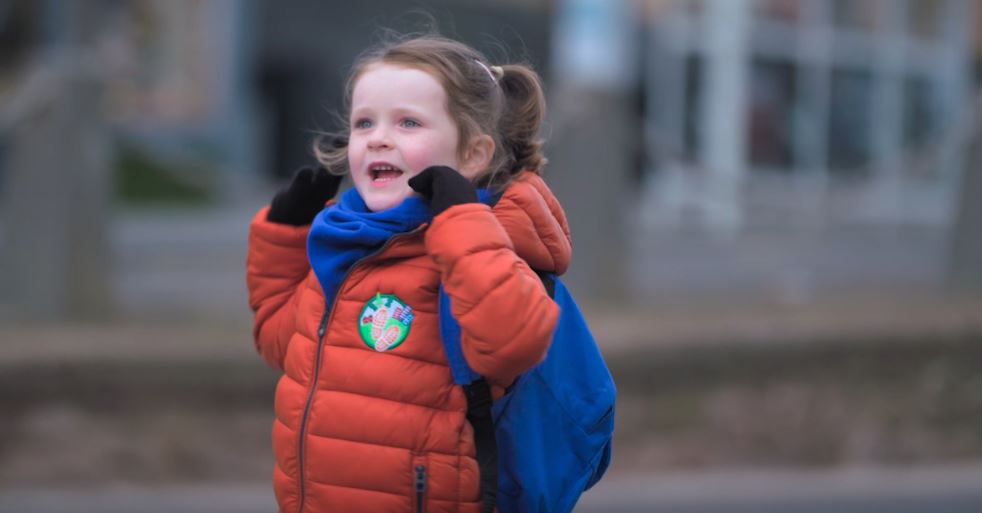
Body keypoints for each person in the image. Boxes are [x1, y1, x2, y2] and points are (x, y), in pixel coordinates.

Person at [246, 34, 572, 513]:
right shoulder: (350, 247)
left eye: (408, 122)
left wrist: (461, 220)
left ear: (473, 156)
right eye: (364, 123)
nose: (379, 137)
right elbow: (282, 342)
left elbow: (513, 342)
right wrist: (285, 235)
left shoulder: (482, 248)